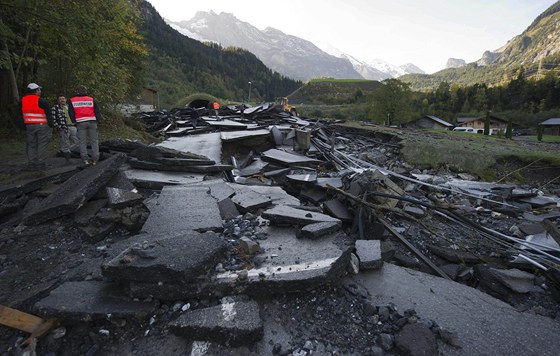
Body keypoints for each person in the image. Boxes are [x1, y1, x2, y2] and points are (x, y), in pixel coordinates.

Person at [20, 83, 54, 171]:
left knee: (31, 144)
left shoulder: (22, 100)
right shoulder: (41, 100)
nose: (40, 91)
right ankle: (40, 163)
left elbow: (19, 115)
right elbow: (49, 114)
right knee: (42, 143)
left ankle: (31, 163)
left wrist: (23, 127)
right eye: (39, 89)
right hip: (41, 125)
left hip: (29, 126)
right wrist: (51, 125)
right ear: (35, 91)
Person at [68, 85, 101, 166]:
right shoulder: (91, 99)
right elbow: (97, 111)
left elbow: (71, 113)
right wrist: (97, 120)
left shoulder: (72, 100)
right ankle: (95, 159)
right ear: (86, 91)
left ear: (77, 91)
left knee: (82, 142)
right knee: (94, 141)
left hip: (80, 122)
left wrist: (74, 122)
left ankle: (85, 159)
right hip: (92, 122)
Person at [51, 94, 78, 162]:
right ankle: (68, 159)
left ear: (66, 99)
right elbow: (53, 119)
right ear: (58, 101)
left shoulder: (70, 107)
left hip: (73, 126)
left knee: (78, 141)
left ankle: (66, 151)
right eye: (60, 99)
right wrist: (58, 126)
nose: (62, 100)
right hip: (63, 127)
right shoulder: (55, 108)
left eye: (63, 99)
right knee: (65, 143)